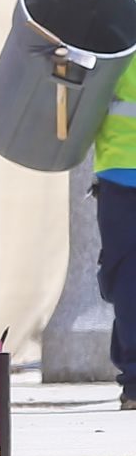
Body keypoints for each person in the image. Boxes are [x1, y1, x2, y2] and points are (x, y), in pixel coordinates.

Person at [94, 54, 136, 410]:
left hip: (118, 170)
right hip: (118, 171)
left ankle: (133, 382)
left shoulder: (117, 31)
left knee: (124, 280)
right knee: (125, 283)